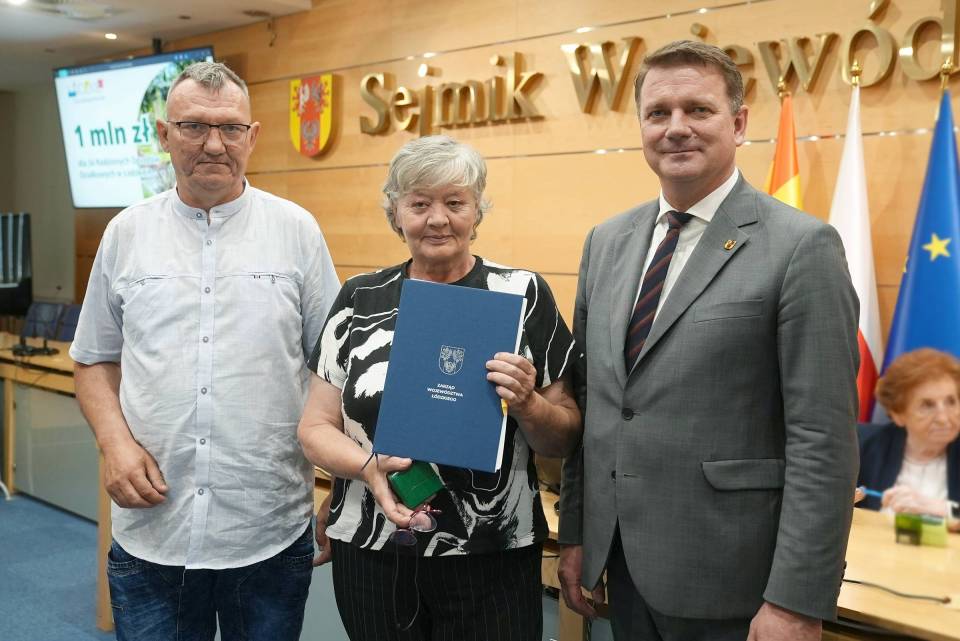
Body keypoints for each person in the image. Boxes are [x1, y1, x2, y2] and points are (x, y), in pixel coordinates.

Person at [557, 40, 860, 641]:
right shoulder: (606, 242)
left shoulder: (801, 246)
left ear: (739, 123)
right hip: (622, 567)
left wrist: (796, 601)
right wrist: (577, 534)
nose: (676, 128)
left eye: (698, 109)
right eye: (658, 113)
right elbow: (593, 404)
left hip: (737, 585)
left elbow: (823, 440)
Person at [70, 61, 339, 641]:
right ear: (164, 135)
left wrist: (343, 485)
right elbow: (92, 359)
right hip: (153, 530)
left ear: (252, 136)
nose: (214, 144)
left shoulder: (297, 231)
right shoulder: (125, 234)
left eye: (230, 128)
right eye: (193, 126)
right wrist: (115, 445)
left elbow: (335, 371)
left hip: (268, 528)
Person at [298, 134, 581, 641]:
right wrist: (366, 468)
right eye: (419, 204)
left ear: (477, 210)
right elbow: (315, 427)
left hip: (493, 551)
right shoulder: (360, 297)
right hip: (373, 544)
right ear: (396, 212)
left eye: (455, 202)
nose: (438, 219)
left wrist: (528, 403)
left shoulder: (523, 295)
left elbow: (564, 436)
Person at [858, 348, 960, 531]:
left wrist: (947, 510)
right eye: (927, 405)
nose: (943, 418)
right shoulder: (863, 446)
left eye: (951, 401)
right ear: (898, 415)